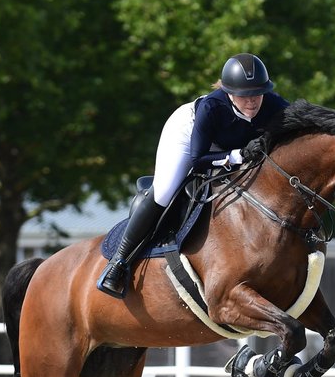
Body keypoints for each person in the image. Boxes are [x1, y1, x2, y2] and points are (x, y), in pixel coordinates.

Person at [97, 52, 290, 298]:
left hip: (228, 142)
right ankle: (118, 263)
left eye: (257, 94)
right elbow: (198, 161)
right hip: (189, 135)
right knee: (165, 191)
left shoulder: (273, 103)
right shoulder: (211, 108)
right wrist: (238, 156)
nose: (252, 102)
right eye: (244, 96)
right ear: (230, 92)